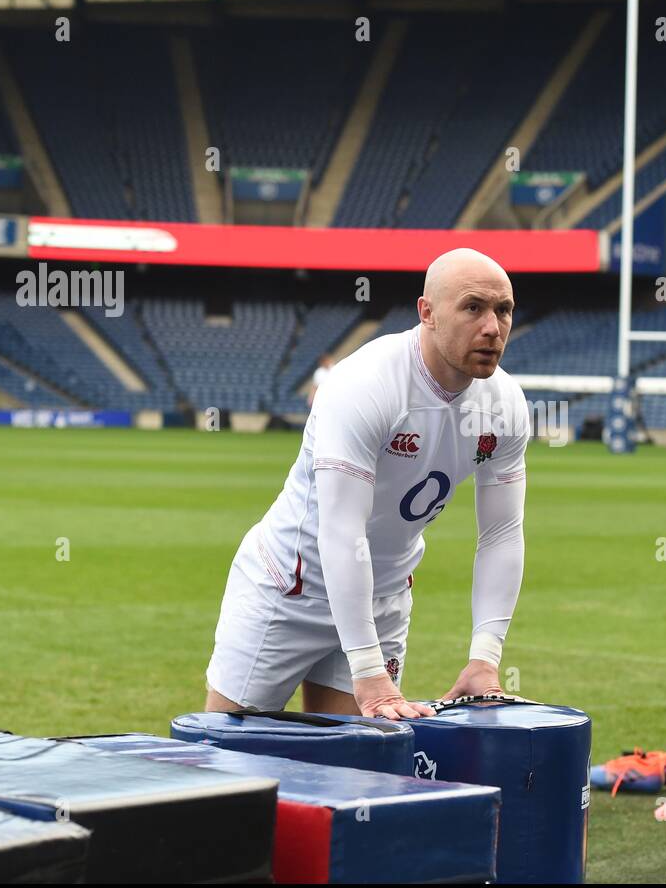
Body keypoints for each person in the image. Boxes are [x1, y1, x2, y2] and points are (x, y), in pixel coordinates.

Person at [204, 248, 529, 720]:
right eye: (473, 307)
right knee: (229, 756)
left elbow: (501, 532)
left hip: (385, 592)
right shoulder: (366, 383)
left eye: (503, 310)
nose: (493, 327)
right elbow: (341, 531)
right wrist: (367, 670)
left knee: (351, 768)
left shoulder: (505, 403)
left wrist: (486, 657)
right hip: (292, 586)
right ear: (427, 312)